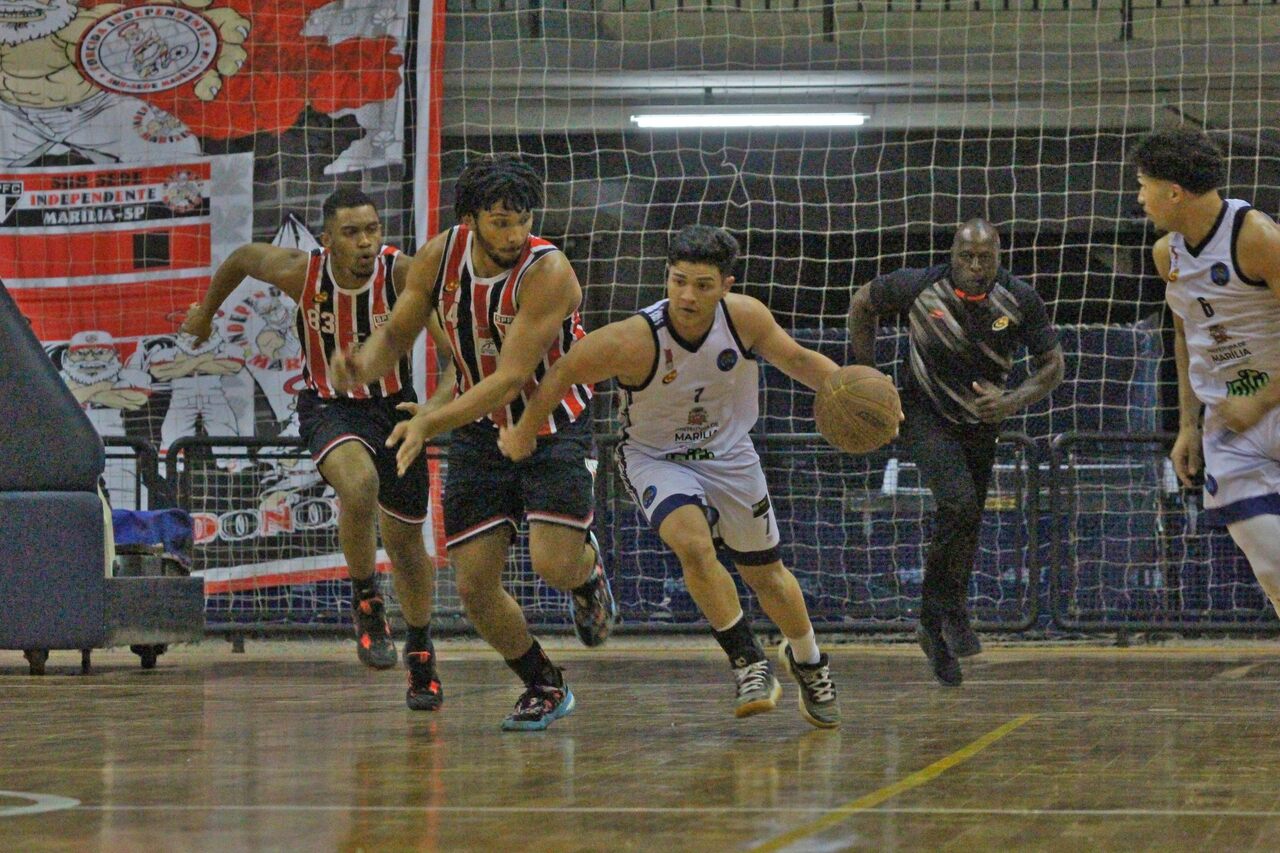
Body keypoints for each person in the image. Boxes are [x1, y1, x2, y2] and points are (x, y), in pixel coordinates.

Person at [499, 224, 845, 727]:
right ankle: (748, 660)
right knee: (693, 543)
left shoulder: (744, 318)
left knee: (766, 574)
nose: (687, 295)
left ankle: (809, 661)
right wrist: (525, 429)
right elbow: (563, 372)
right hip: (655, 457)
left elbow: (795, 359)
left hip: (730, 455)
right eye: (678, 280)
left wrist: (850, 388)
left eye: (702, 285)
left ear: (726, 285)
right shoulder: (633, 339)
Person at [330, 154, 617, 732]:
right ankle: (542, 683)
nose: (513, 235)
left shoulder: (548, 271)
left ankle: (586, 580)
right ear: (469, 220)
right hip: (480, 434)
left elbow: (509, 379)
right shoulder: (439, 257)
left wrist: (428, 422)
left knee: (553, 564)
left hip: (550, 424)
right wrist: (362, 367)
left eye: (521, 221)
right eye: (498, 222)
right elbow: (398, 331)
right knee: (473, 586)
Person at [181, 187, 454, 711]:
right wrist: (206, 313)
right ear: (327, 240)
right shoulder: (301, 272)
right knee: (359, 484)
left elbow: (452, 357)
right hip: (330, 407)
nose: (365, 241)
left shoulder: (404, 275)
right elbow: (241, 259)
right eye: (351, 233)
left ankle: (421, 649)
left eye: (372, 229)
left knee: (407, 549)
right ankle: (366, 599)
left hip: (398, 410)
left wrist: (432, 414)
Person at [847, 219, 1064, 687]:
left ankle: (953, 607)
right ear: (953, 255)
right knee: (958, 503)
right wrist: (866, 374)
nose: (975, 266)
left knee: (968, 521)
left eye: (985, 257)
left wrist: (1011, 401)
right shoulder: (921, 286)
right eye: (967, 256)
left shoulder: (1020, 299)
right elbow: (863, 302)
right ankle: (931, 624)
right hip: (924, 416)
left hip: (981, 423)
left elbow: (1052, 367)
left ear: (999, 257)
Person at [1131, 128, 1280, 619]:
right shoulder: (1164, 255)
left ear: (1173, 191)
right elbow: (1183, 337)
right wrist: (1188, 424)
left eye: (1143, 184)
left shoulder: (1256, 237)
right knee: (1272, 568)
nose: (1139, 197)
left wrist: (1258, 400)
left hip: (1272, 403)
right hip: (1229, 424)